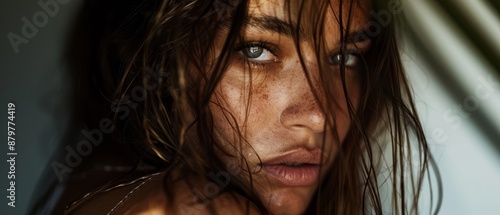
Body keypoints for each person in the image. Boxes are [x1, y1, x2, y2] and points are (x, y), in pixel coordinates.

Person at [59, 0, 440, 214]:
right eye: (255, 50)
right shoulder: (192, 210)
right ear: (155, 55)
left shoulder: (98, 181)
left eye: (345, 58)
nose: (318, 116)